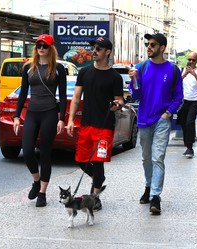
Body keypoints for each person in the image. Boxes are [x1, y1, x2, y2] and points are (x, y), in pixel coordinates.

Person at [128, 33, 183, 214]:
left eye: (153, 44)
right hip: (144, 119)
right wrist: (134, 79)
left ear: (162, 48)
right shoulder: (141, 67)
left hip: (162, 120)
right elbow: (135, 95)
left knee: (157, 157)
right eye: (147, 44)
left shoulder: (173, 70)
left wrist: (168, 113)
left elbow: (178, 97)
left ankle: (155, 197)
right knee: (146, 158)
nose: (149, 47)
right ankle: (148, 186)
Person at [67, 37, 124, 211]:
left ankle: (95, 196)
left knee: (98, 161)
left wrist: (117, 106)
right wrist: (70, 119)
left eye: (98, 48)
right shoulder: (84, 72)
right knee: (81, 161)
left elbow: (120, 100)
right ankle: (98, 179)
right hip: (86, 124)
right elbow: (76, 98)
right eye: (93, 47)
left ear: (107, 52)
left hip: (105, 126)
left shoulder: (114, 77)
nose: (94, 51)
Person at [13, 34, 67, 207]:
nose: (41, 48)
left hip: (50, 112)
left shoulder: (58, 68)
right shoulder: (29, 67)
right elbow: (22, 93)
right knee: (27, 151)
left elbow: (64, 95)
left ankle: (42, 192)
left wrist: (62, 118)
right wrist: (16, 116)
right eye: (38, 46)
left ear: (50, 48)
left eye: (44, 45)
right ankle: (36, 181)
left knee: (45, 153)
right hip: (32, 112)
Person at [177, 52, 197, 158]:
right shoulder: (182, 70)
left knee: (190, 122)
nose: (190, 62)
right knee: (183, 123)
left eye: (193, 60)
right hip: (184, 101)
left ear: (196, 61)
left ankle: (190, 147)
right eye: (189, 59)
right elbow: (176, 83)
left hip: (195, 101)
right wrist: (185, 74)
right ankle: (187, 145)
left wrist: (194, 74)